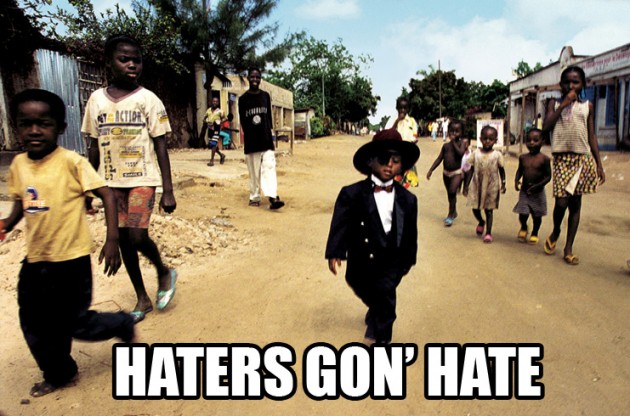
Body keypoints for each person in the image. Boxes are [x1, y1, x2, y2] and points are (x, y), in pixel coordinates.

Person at [1, 89, 134, 397]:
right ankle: (59, 372)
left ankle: (120, 323)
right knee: (33, 322)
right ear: (16, 127)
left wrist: (112, 239)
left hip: (71, 263)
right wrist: (7, 222)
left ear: (60, 127)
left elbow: (106, 195)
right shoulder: (19, 164)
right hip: (36, 261)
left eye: (44, 123)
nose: (35, 131)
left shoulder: (72, 162)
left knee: (74, 323)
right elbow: (23, 201)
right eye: (26, 124)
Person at [82, 34, 177, 323]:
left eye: (137, 60)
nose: (132, 65)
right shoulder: (96, 100)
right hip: (110, 183)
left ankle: (163, 271)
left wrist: (168, 190)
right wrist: (87, 187)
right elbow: (94, 147)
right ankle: (142, 297)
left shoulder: (149, 100)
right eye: (124, 59)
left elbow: (161, 145)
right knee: (123, 240)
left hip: (142, 178)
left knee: (137, 236)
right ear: (109, 63)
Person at [325, 129, 419, 345]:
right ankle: (375, 309)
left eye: (395, 161)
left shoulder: (408, 199)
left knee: (386, 298)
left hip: (393, 260)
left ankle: (382, 340)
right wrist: (335, 251)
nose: (389, 165)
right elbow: (340, 224)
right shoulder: (351, 193)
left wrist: (408, 259)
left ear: (402, 165)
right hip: (361, 258)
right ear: (370, 161)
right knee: (358, 283)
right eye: (383, 159)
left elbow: (410, 232)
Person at [542, 65, 605, 265]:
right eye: (567, 82)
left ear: (583, 84)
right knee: (561, 203)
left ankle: (568, 247)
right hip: (562, 159)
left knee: (575, 204)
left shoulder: (587, 106)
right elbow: (546, 126)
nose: (571, 86)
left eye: (575, 82)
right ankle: (556, 231)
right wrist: (563, 105)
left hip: (581, 159)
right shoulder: (554, 103)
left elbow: (591, 136)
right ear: (560, 84)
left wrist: (599, 163)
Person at [238, 67, 284, 209]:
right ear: (248, 78)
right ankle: (255, 196)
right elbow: (243, 121)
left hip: (266, 139)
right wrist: (247, 138)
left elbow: (268, 118)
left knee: (269, 166)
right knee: (254, 171)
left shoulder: (265, 96)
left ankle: (272, 196)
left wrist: (271, 136)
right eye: (252, 77)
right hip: (252, 141)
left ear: (260, 79)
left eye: (257, 77)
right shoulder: (243, 99)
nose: (255, 79)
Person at [463, 125, 506, 243]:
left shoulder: (497, 155)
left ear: (495, 141)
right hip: (477, 185)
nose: (487, 141)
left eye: (490, 139)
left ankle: (488, 233)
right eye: (485, 138)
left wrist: (503, 183)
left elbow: (501, 170)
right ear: (480, 139)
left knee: (489, 209)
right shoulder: (476, 153)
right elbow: (470, 170)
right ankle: (481, 221)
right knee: (475, 208)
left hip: (491, 186)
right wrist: (466, 186)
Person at [513, 128, 551, 244]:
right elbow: (520, 170)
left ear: (542, 141)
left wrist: (538, 186)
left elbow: (548, 176)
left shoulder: (544, 159)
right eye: (529, 140)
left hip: (538, 192)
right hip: (525, 191)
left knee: (537, 215)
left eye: (535, 140)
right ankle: (524, 227)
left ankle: (535, 232)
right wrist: (516, 180)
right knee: (523, 213)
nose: (532, 143)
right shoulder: (523, 157)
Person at [426, 119, 467, 226]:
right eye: (452, 131)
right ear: (448, 131)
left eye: (457, 131)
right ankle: (454, 211)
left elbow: (460, 154)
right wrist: (431, 170)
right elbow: (439, 159)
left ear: (461, 132)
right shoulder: (445, 146)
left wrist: (453, 142)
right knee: (450, 194)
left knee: (453, 191)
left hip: (456, 173)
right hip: (446, 173)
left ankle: (450, 215)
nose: (454, 133)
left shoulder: (462, 143)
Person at [388, 97, 419, 188]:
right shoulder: (393, 119)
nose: (402, 110)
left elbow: (414, 135)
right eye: (400, 108)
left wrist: (414, 141)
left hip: (407, 154)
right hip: (395, 153)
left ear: (408, 109)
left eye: (405, 108)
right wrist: (397, 121)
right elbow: (389, 132)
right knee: (395, 179)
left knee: (406, 181)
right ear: (396, 108)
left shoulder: (412, 121)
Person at [200, 96, 226, 166]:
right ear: (212, 102)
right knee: (211, 145)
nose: (215, 103)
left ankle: (211, 161)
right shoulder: (208, 110)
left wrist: (219, 122)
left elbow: (225, 118)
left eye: (216, 101)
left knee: (214, 144)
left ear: (218, 103)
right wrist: (207, 121)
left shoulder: (220, 111)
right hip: (210, 130)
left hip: (216, 130)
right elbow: (204, 119)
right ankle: (222, 155)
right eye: (214, 101)